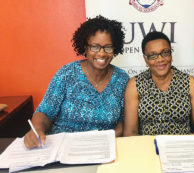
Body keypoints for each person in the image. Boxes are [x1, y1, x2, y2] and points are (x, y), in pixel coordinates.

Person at [24, 15, 129, 149]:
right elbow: (45, 112)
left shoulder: (121, 79)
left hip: (102, 147)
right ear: (85, 47)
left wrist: (108, 139)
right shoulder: (67, 73)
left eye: (108, 47)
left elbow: (123, 120)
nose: (102, 54)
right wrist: (37, 129)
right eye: (95, 47)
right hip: (63, 147)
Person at [123, 31, 194, 136]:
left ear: (171, 54)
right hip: (148, 148)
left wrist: (184, 145)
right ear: (145, 59)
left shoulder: (189, 82)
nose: (160, 59)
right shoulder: (134, 85)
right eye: (152, 56)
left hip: (182, 147)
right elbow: (130, 133)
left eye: (165, 53)